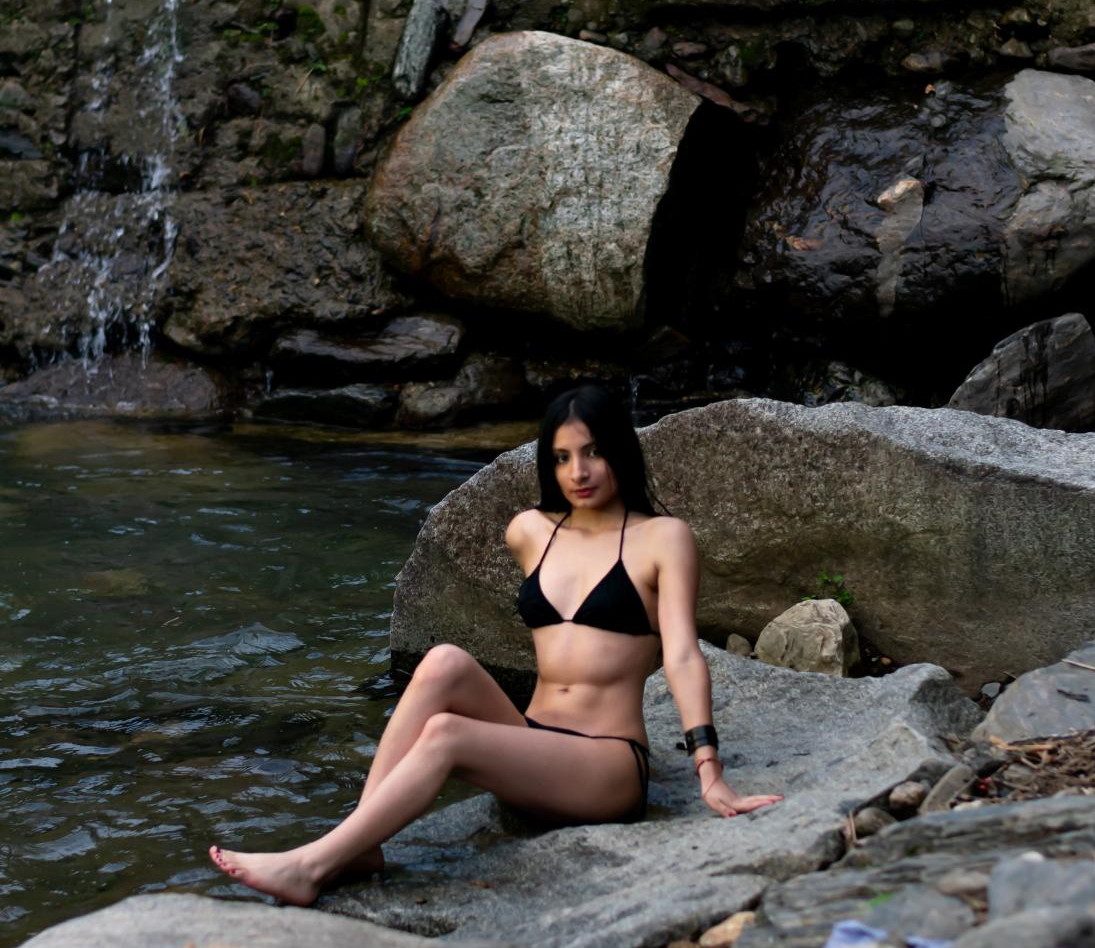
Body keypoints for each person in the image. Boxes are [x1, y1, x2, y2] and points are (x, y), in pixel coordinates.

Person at [209, 385, 781, 905]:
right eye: (561, 457)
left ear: (620, 451)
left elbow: (681, 654)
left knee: (446, 733)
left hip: (605, 765)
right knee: (443, 662)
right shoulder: (530, 531)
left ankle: (310, 866)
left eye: (593, 452)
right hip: (531, 741)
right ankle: (363, 842)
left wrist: (708, 768)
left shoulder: (663, 539)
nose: (578, 471)